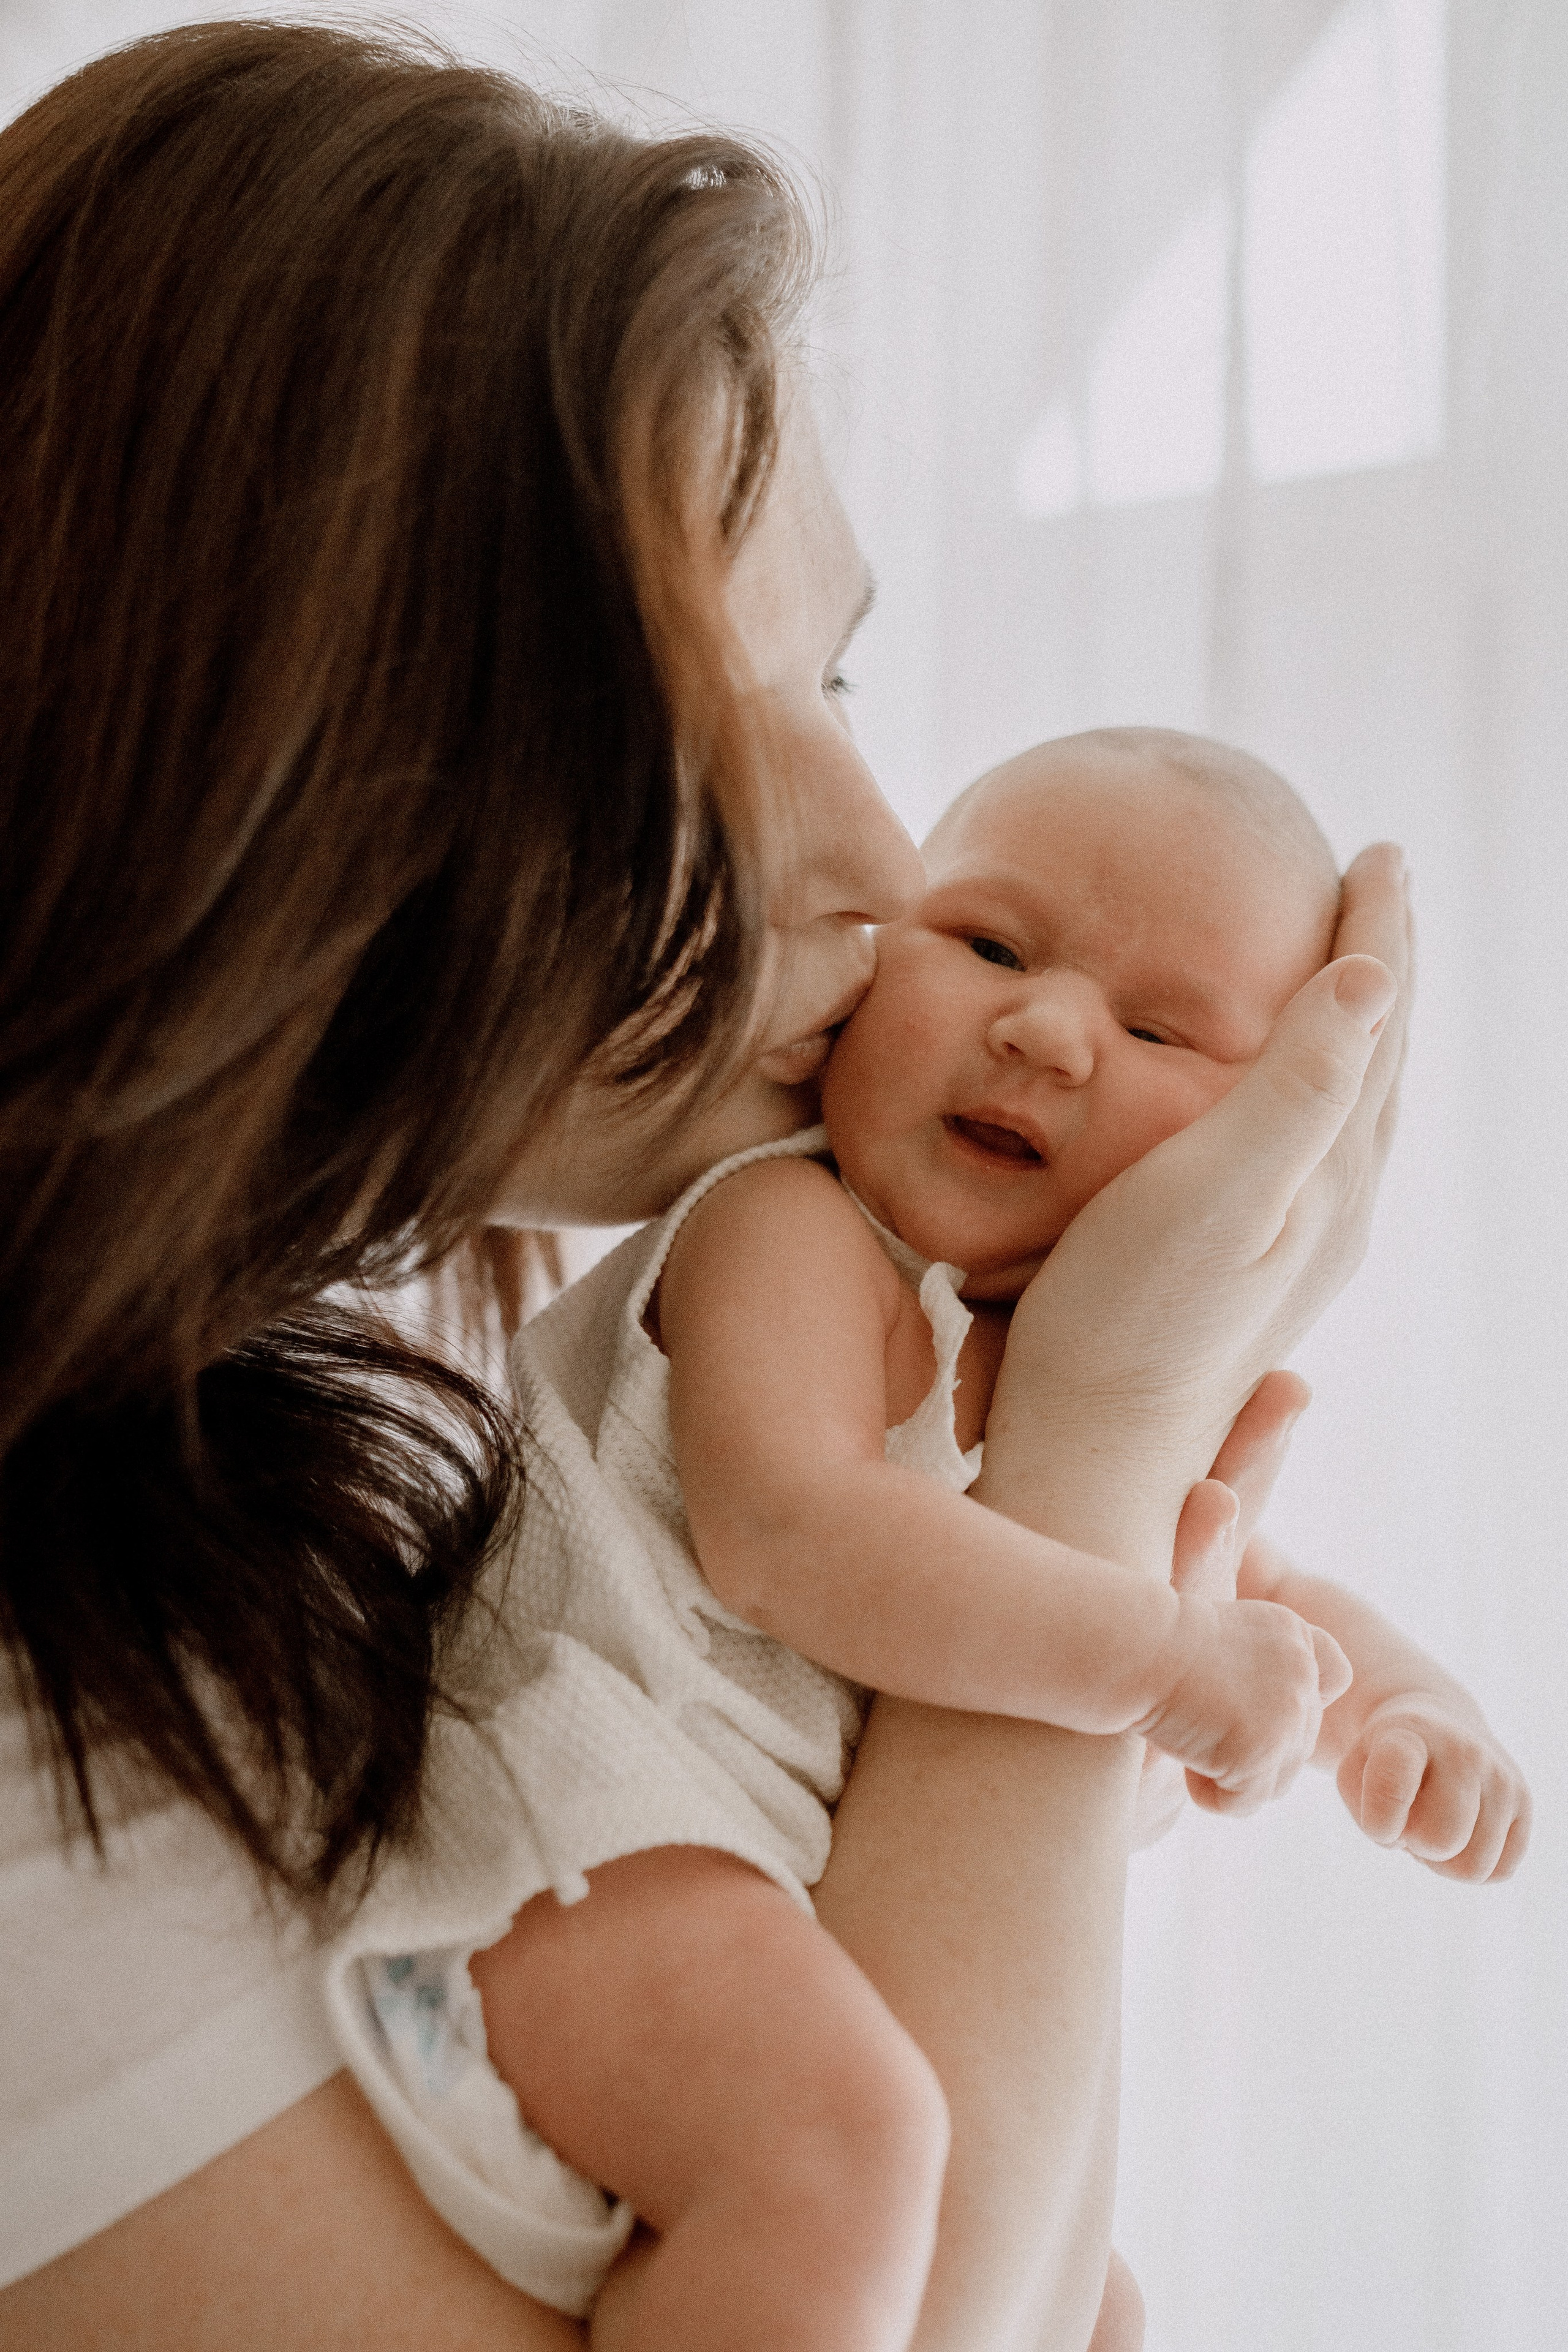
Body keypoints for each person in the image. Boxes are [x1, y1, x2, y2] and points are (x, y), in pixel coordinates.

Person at [0, 24, 1411, 2352]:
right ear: (293, 769)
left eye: (845, 673)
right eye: (694, 727)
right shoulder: (55, 1763)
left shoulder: (303, 1501)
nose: (884, 854)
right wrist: (1098, 1439)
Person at [352, 729, 1518, 2350]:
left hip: (769, 1922)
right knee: (851, 2156)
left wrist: (1389, 1705)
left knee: (1090, 2298)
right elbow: (795, 1533)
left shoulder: (1039, 1371)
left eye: (1157, 1026)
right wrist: (1174, 1668)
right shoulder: (793, 1226)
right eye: (987, 944)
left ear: (1264, 1153)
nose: (1041, 1029)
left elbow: (1247, 1589)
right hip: (563, 1846)